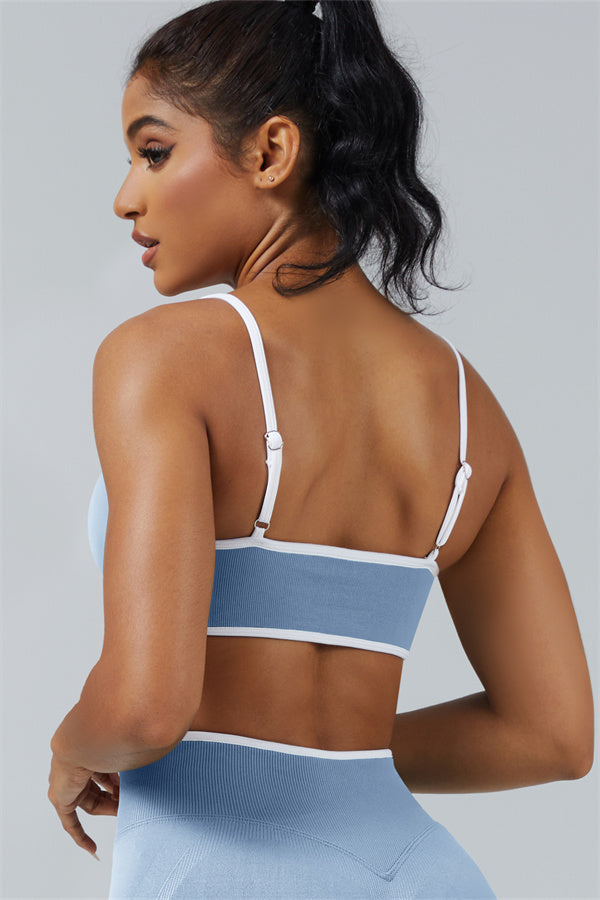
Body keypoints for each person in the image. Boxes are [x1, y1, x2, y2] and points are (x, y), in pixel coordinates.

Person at [47, 1, 594, 897]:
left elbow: (145, 707)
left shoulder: (165, 359)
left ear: (271, 151)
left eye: (154, 152)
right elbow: (552, 736)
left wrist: (72, 744)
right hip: (423, 874)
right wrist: (336, 760)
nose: (125, 197)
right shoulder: (468, 407)